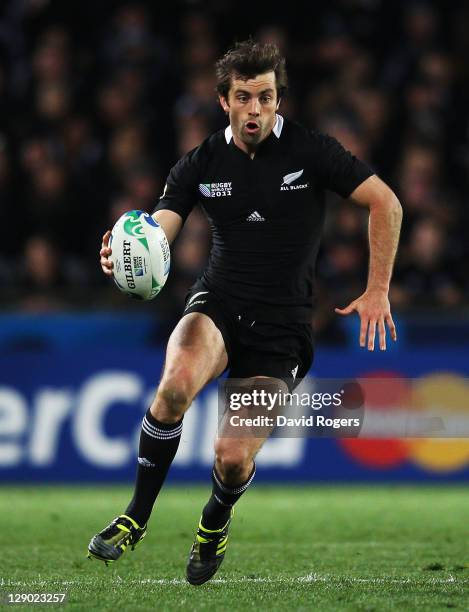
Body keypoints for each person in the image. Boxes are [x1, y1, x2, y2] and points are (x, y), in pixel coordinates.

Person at [87, 40, 402, 585]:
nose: (256, 109)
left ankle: (214, 520)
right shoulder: (201, 163)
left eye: (266, 97)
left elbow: (387, 203)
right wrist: (126, 249)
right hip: (220, 304)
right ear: (223, 101)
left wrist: (378, 289)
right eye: (244, 98)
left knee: (232, 457)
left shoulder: (313, 152)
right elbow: (160, 228)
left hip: (282, 330)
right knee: (174, 386)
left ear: (278, 100)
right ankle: (135, 515)